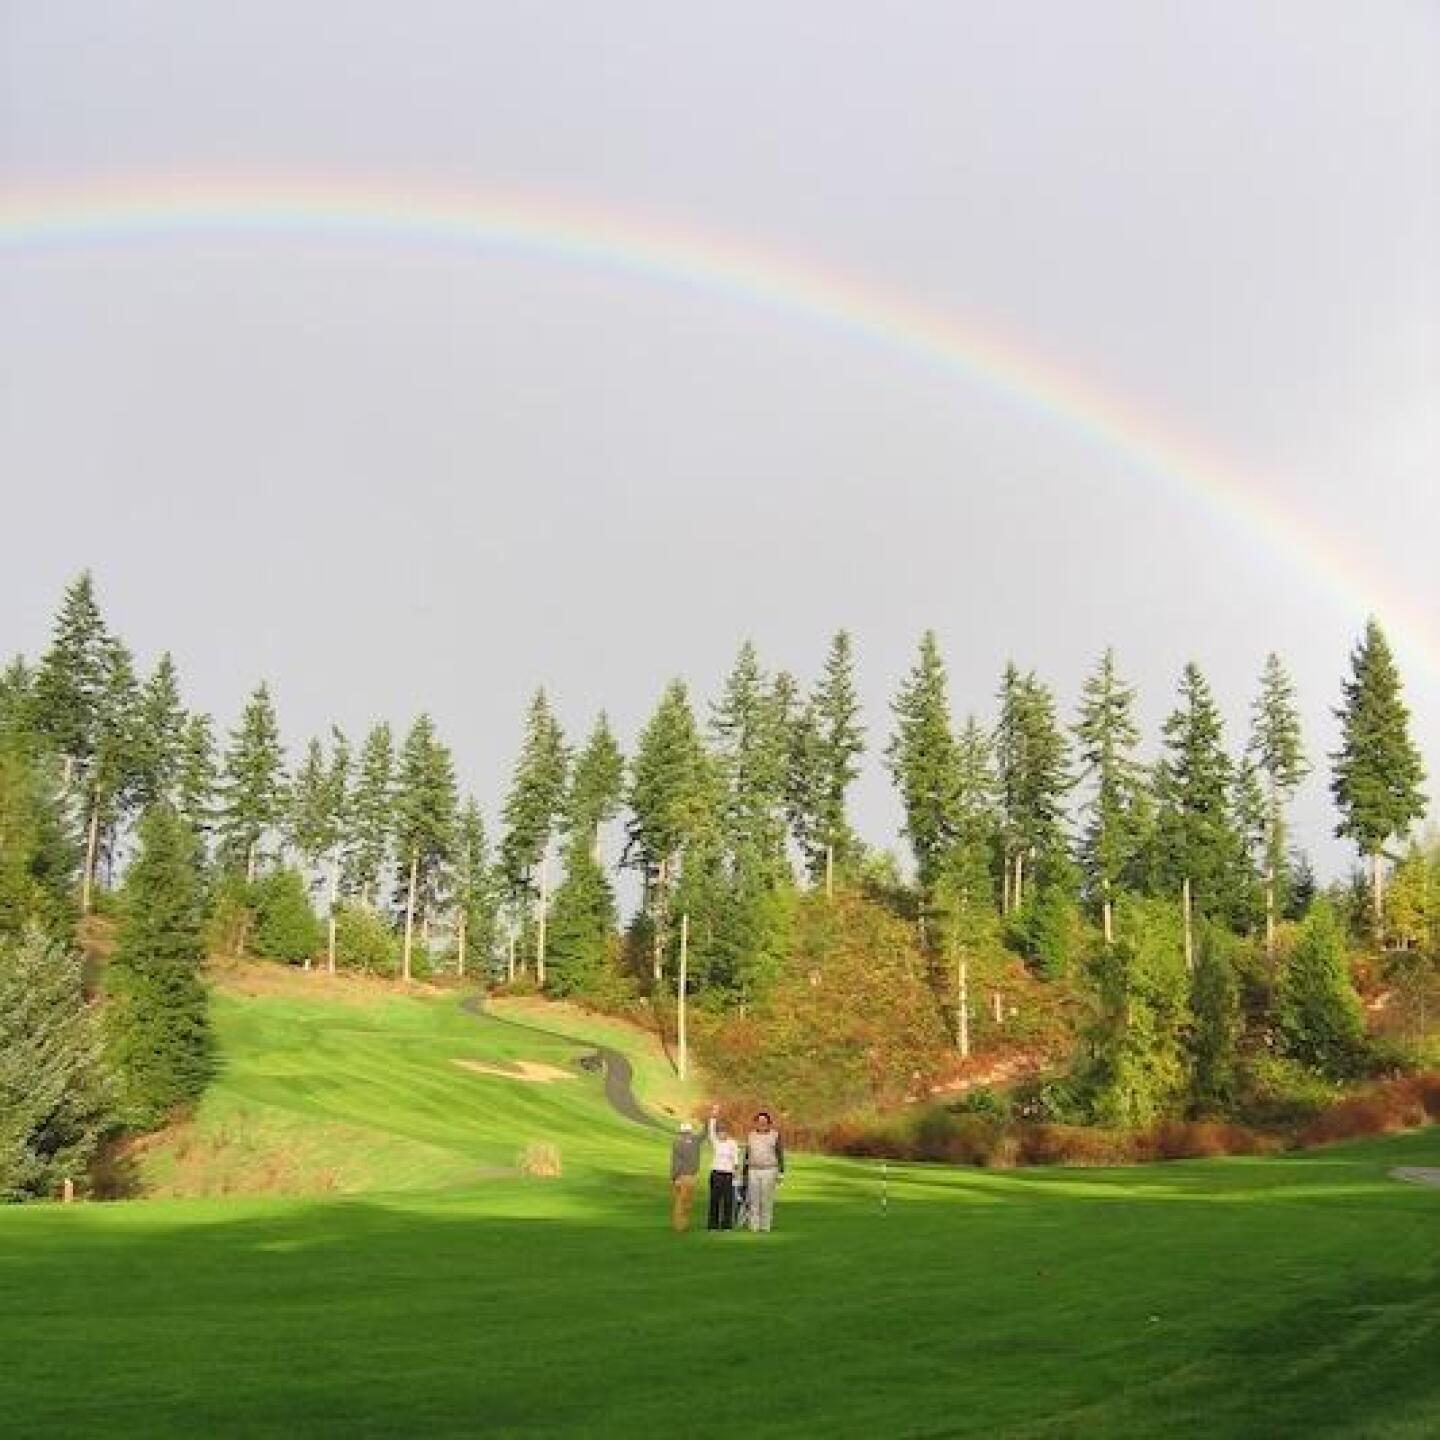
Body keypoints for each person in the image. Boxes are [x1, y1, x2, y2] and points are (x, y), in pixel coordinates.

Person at [744, 1110, 785, 1233]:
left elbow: (779, 1153)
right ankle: (754, 1226)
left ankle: (765, 1226)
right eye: (759, 1121)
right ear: (756, 1123)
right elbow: (747, 1154)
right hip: (753, 1169)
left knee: (766, 1199)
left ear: (768, 1123)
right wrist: (744, 1171)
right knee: (753, 1199)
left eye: (764, 1121)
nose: (762, 1123)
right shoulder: (751, 1135)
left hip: (769, 1169)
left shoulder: (775, 1135)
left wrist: (781, 1172)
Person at [706, 1103, 740, 1230]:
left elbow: (735, 1160)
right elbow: (710, 1130)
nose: (721, 1134)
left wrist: (736, 1175)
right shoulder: (716, 1142)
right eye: (719, 1132)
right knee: (714, 1200)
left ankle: (726, 1225)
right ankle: (712, 1225)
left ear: (727, 1133)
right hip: (716, 1174)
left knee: (727, 1201)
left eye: (723, 1132)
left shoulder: (732, 1143)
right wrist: (714, 1115)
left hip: (728, 1175)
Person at [669, 1119, 705, 1231]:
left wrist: (674, 1177)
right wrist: (711, 1119)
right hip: (689, 1176)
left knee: (682, 1202)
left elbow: (675, 1162)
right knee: (685, 1202)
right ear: (690, 1132)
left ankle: (681, 1225)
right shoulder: (694, 1141)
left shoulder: (678, 1143)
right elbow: (704, 1134)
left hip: (683, 1176)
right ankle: (681, 1225)